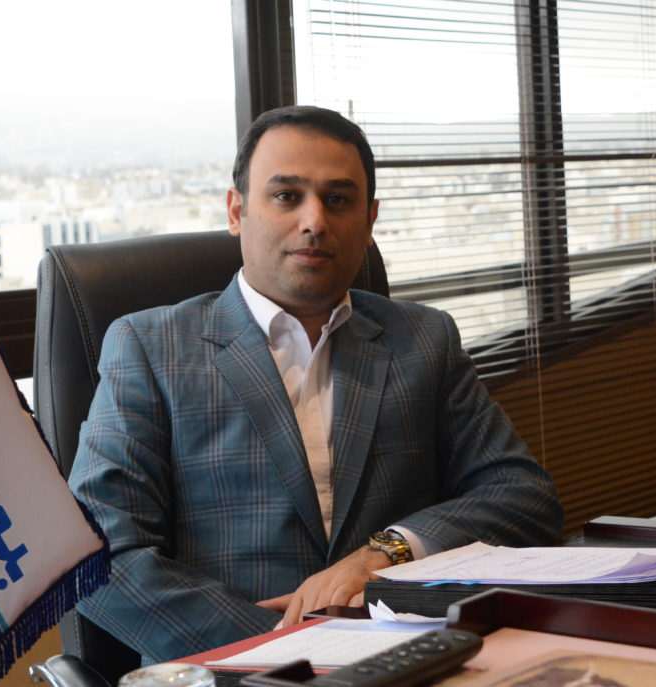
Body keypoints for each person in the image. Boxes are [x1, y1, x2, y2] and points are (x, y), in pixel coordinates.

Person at [68, 105, 564, 663]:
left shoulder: (424, 339)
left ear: (370, 220)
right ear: (237, 211)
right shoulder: (150, 347)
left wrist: (388, 552)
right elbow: (98, 558)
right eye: (286, 196)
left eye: (338, 199)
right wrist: (286, 648)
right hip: (238, 669)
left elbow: (523, 497)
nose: (315, 221)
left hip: (411, 660)